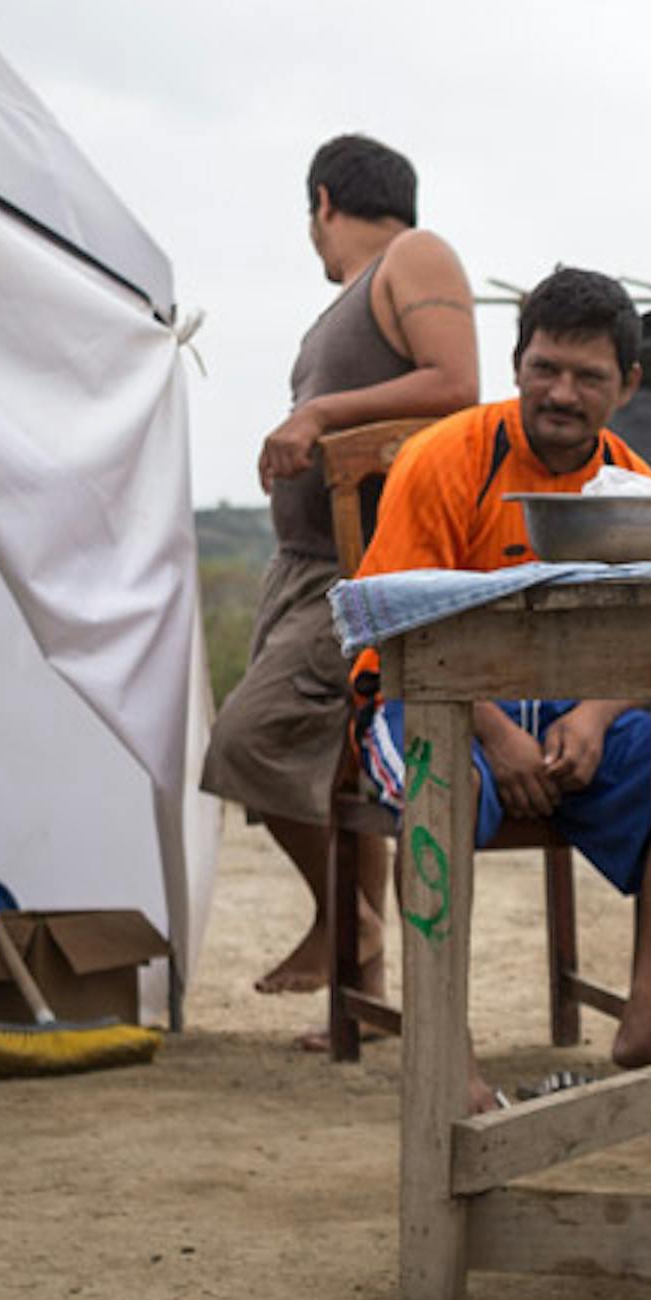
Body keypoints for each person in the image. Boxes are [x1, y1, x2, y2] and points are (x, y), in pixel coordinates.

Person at [349, 266, 651, 1101]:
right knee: (437, 779)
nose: (562, 393)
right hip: (429, 696)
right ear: (517, 362)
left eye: (588, 376)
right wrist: (496, 732)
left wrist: (597, 716)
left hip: (568, 716)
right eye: (545, 369)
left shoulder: (632, 482)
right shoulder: (442, 459)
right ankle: (444, 1054)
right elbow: (398, 625)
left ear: (628, 385)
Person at [202, 135, 479, 1009]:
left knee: (248, 737)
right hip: (306, 568)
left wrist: (317, 411)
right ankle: (362, 985)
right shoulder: (350, 302)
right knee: (330, 769)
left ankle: (345, 920)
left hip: (365, 572)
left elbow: (457, 384)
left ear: (324, 201)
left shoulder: (414, 254)